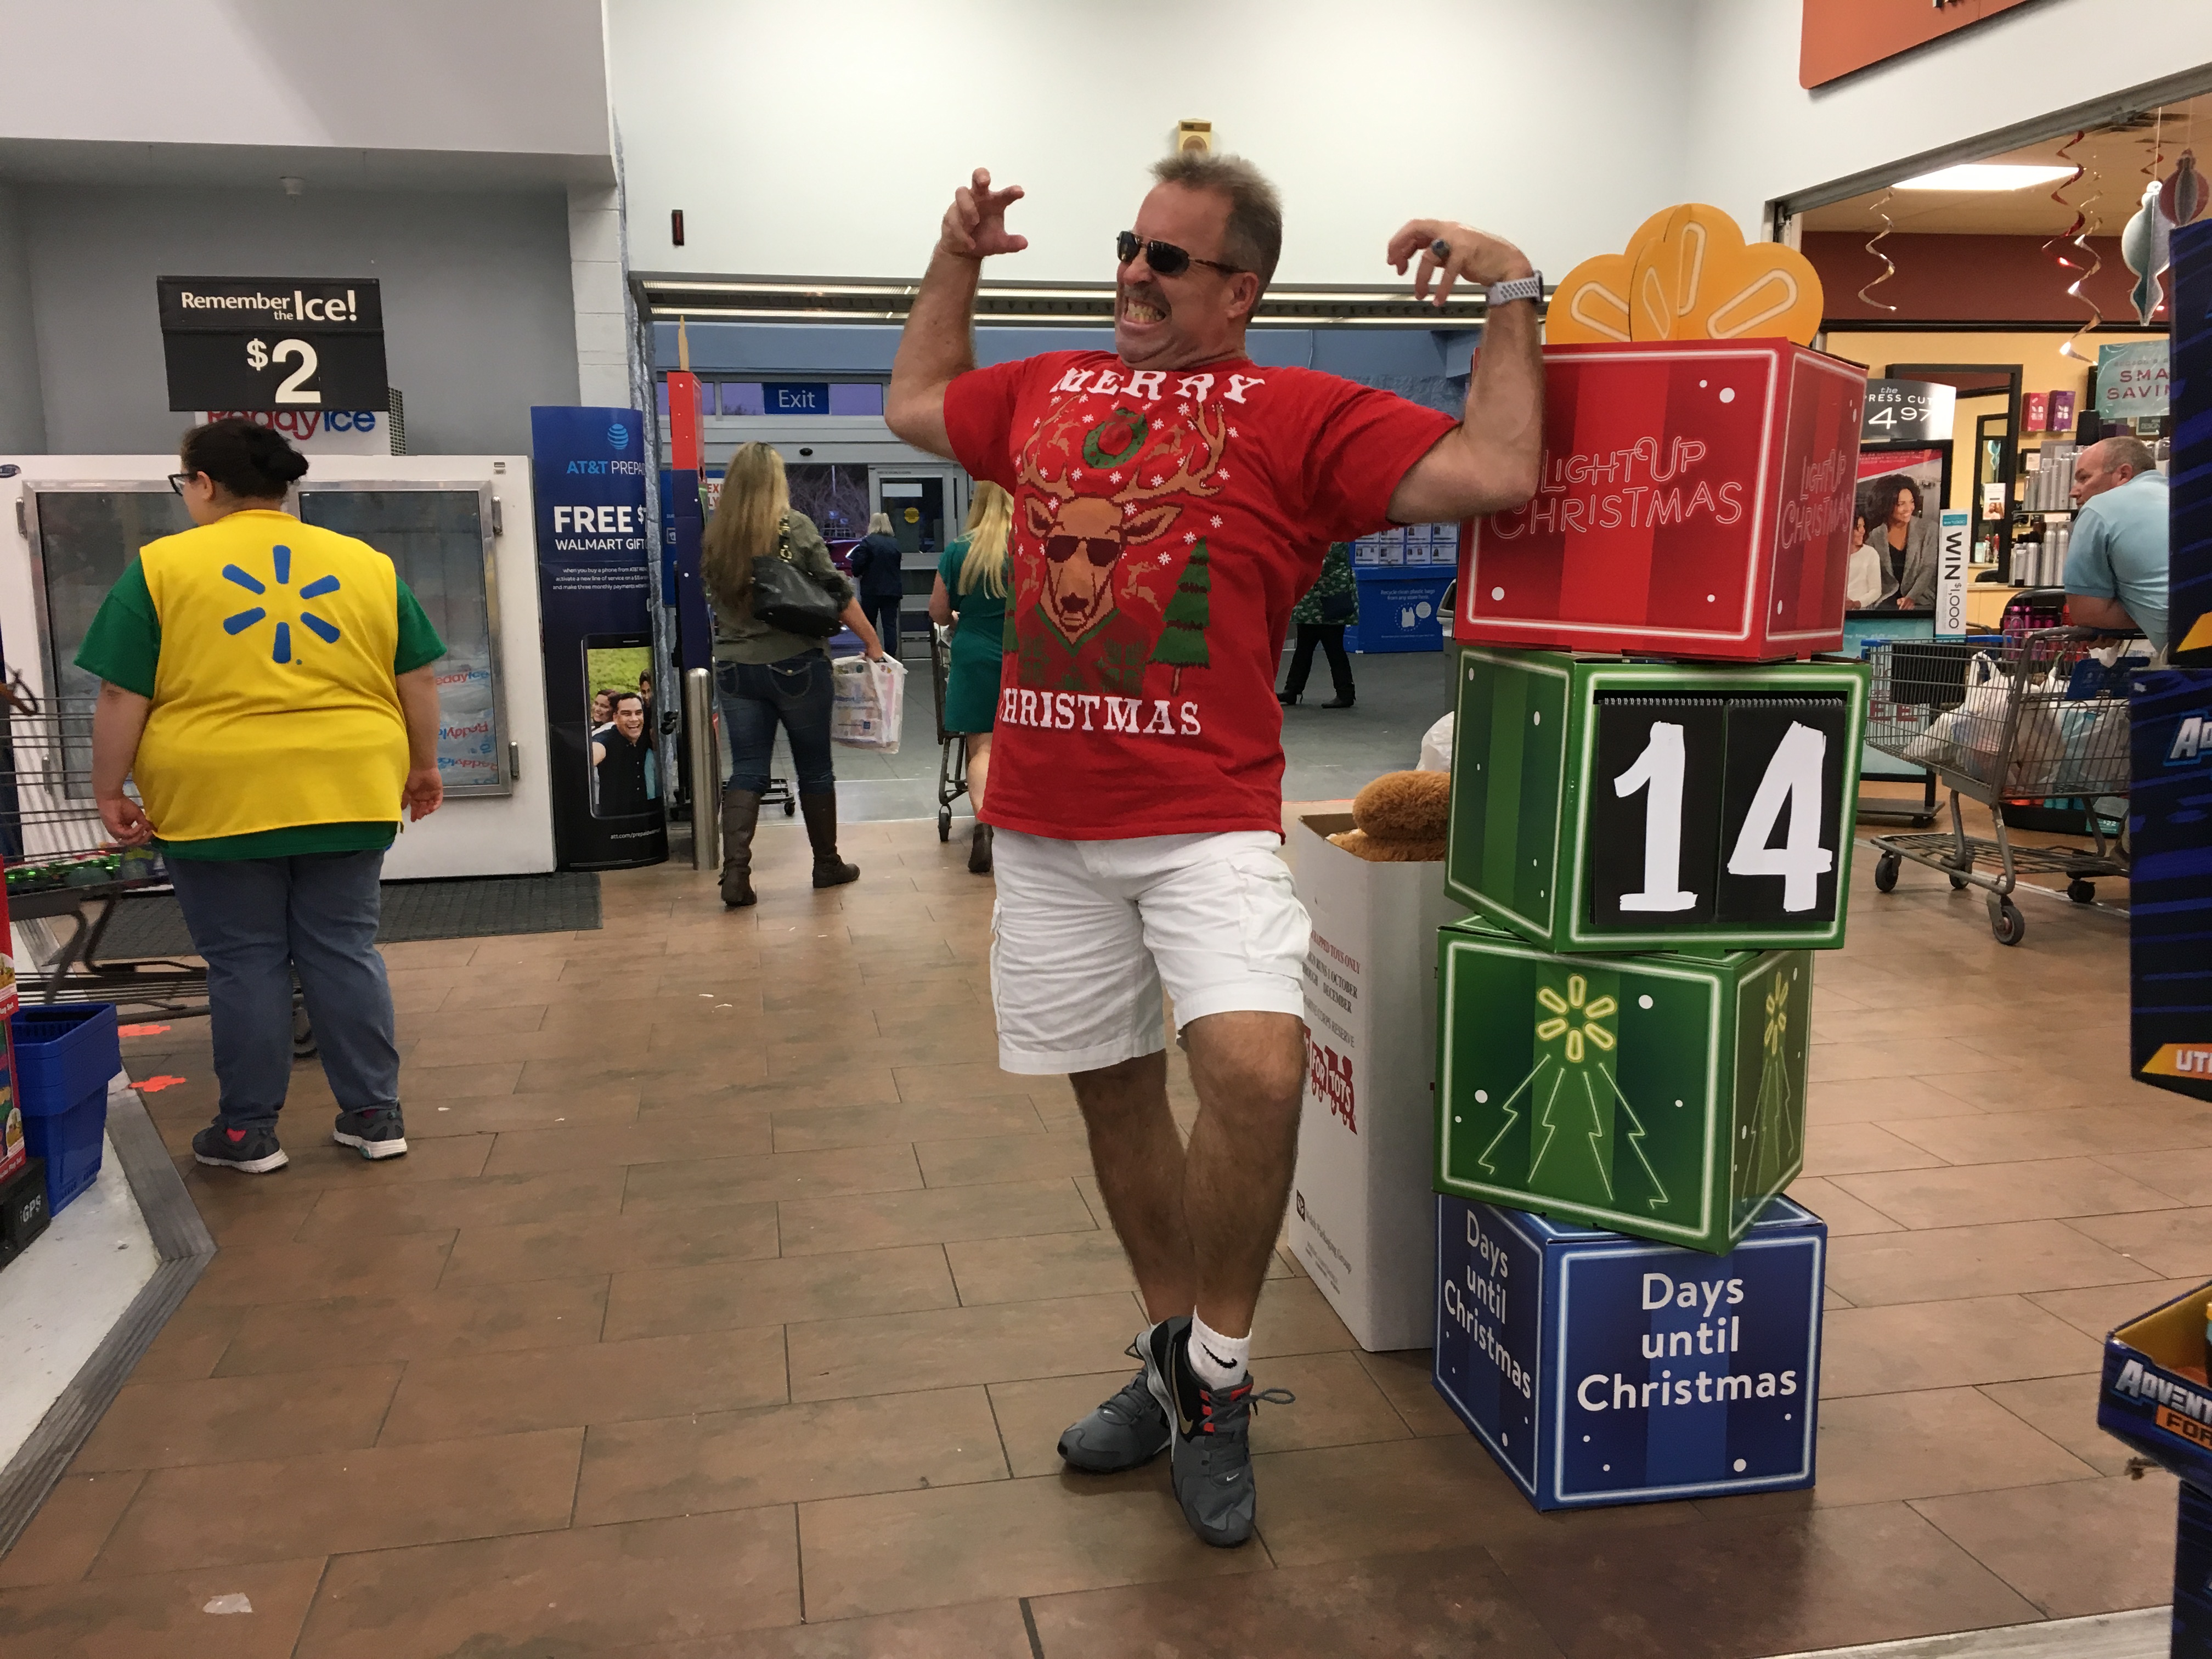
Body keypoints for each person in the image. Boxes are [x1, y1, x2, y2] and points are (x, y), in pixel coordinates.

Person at [885, 154, 1541, 1548]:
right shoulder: (1047, 388)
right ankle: (1174, 1360)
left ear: (1241, 290)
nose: (1136, 273)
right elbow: (915, 401)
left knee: (1254, 1070)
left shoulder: (1299, 413)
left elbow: (1497, 468)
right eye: (1131, 247)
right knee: (1114, 1097)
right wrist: (958, 256)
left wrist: (1512, 291)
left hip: (1206, 823)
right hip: (1047, 830)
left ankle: (1220, 1377)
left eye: (1170, 259)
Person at [80, 417, 445, 1173]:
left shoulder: (161, 568)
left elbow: (121, 692)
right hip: (349, 785)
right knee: (343, 950)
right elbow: (415, 675)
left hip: (217, 794)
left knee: (246, 961)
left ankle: (248, 1132)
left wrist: (108, 787)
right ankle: (375, 1116)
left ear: (203, 484)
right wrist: (424, 765)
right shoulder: (366, 564)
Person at [703, 442, 885, 907]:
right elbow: (837, 591)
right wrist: (871, 641)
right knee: (814, 768)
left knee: (747, 768)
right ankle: (826, 864)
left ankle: (735, 875)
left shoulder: (717, 535)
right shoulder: (794, 527)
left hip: (736, 667)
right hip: (796, 664)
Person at [929, 482, 1013, 875]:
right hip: (1026, 655)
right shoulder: (1031, 545)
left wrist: (959, 618)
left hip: (975, 653)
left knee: (983, 747)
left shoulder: (960, 550)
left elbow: (938, 611)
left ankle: (984, 826)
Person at [2066, 435, 2169, 656]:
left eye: (2084, 478)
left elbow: (2089, 613)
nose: (2074, 491)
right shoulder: (2183, 497)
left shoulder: (2098, 509)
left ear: (2123, 474)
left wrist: (2113, 620)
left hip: (2196, 650)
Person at [1278, 541, 1357, 707]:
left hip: (1328, 601)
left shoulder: (1333, 539)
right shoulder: (1327, 537)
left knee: (1333, 648)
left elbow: (1318, 562)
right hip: (1314, 603)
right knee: (1304, 648)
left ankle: (1345, 693)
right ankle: (1292, 690)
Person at [847, 511, 907, 659]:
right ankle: (891, 657)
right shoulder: (895, 543)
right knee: (890, 626)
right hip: (892, 590)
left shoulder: (867, 543)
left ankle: (873, 654)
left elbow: (857, 567)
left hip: (871, 590)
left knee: (869, 625)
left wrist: (859, 573)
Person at [1872, 476, 1937, 609]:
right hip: (1886, 604)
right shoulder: (1875, 536)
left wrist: (1911, 598)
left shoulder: (1929, 529)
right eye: (1901, 504)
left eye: (1911, 502)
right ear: (1887, 505)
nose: (1909, 508)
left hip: (1921, 603)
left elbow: (1928, 569)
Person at [591, 691, 657, 815]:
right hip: (614, 819)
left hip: (644, 816)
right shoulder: (607, 739)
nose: (634, 719)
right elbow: (596, 749)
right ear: (615, 718)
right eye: (627, 714)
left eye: (638, 713)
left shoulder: (645, 737)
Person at [1844, 510, 1884, 611]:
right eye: (1858, 527)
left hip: (1859, 613)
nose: (1863, 531)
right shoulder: (1834, 554)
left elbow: (1876, 590)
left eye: (1863, 526)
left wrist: (1856, 604)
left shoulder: (1870, 553)